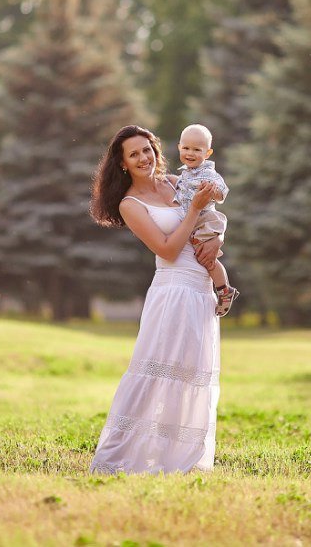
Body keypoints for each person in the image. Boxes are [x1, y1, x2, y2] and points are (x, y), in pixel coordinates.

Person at [87, 124, 224, 474]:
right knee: (154, 372)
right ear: (123, 164)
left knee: (192, 374)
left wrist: (217, 242)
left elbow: (209, 219)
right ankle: (118, 457)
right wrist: (193, 209)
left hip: (200, 289)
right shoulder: (130, 204)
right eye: (134, 154)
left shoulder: (178, 183)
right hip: (172, 291)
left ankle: (181, 460)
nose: (143, 157)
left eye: (147, 149)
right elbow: (167, 248)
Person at [174, 123, 240, 317]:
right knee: (202, 257)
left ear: (208, 153)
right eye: (186, 148)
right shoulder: (183, 173)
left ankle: (223, 289)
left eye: (197, 149)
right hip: (194, 222)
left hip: (205, 221)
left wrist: (213, 190)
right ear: (179, 147)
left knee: (206, 258)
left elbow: (222, 193)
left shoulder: (208, 173)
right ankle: (222, 288)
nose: (190, 153)